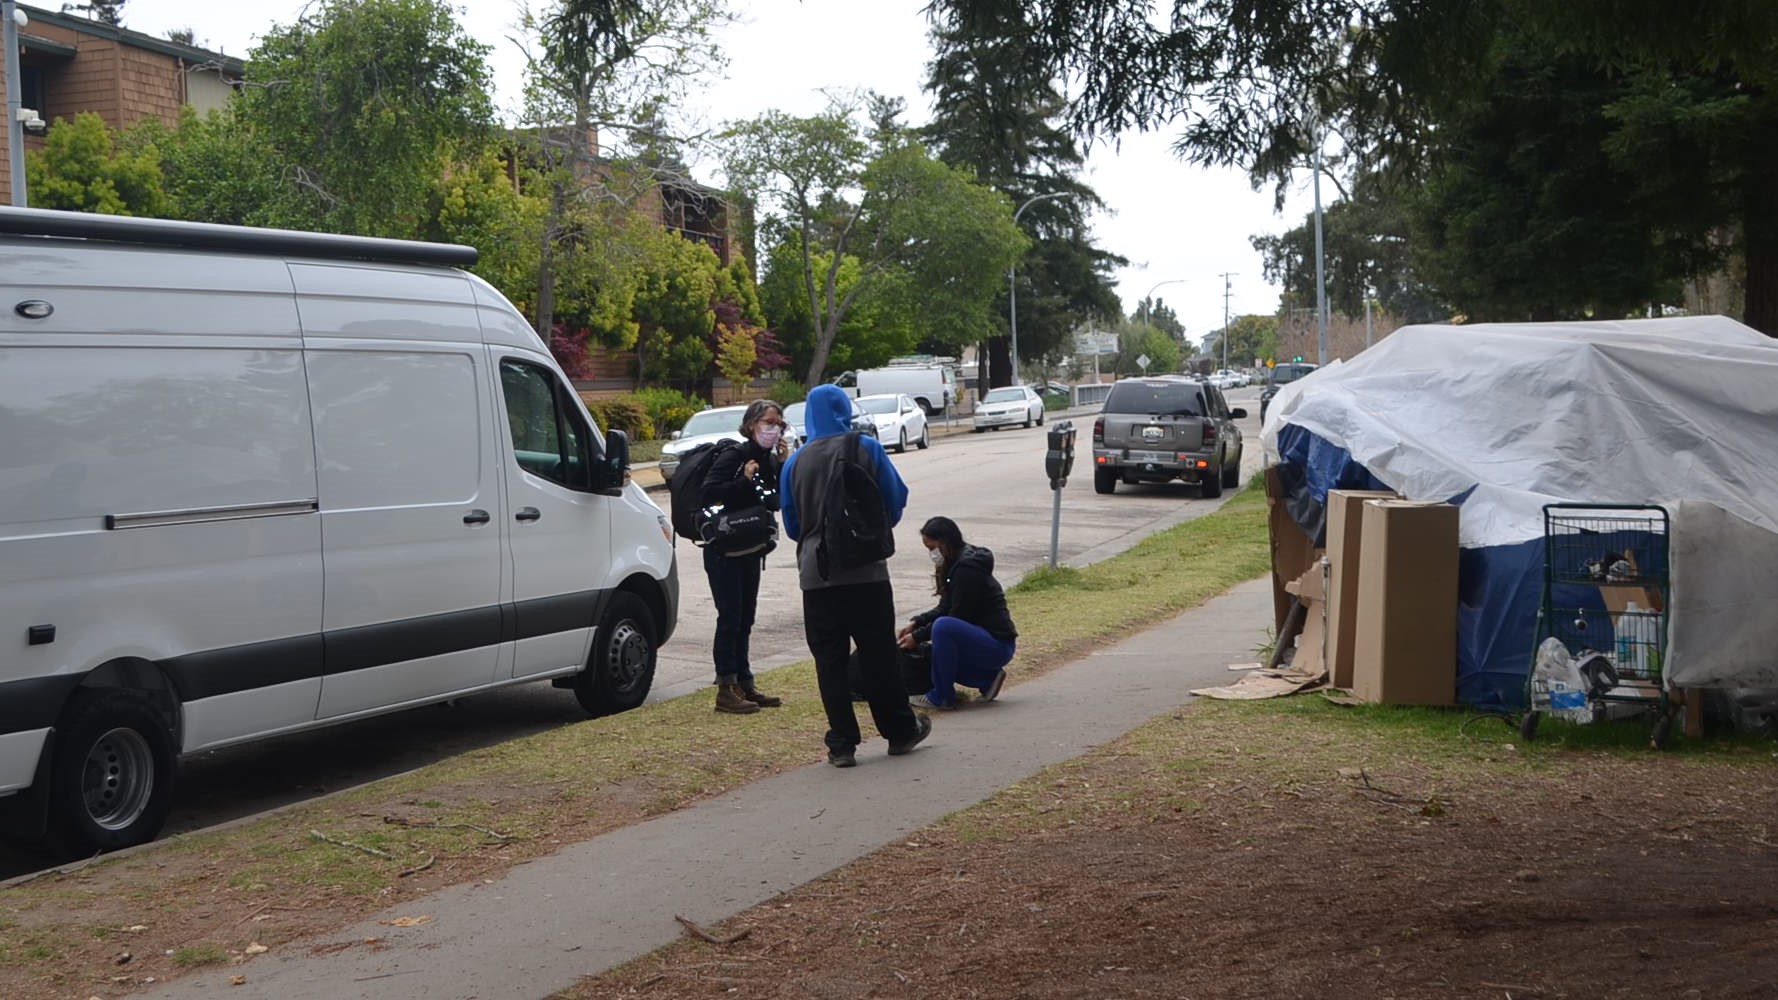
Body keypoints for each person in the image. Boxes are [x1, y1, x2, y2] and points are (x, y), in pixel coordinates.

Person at [780, 384, 931, 767]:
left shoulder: (794, 462)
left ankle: (842, 744)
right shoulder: (867, 448)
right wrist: (869, 534)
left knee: (829, 660)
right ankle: (899, 731)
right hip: (867, 573)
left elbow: (793, 525)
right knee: (879, 654)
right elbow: (894, 500)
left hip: (817, 574)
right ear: (844, 409)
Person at [700, 399, 790, 715]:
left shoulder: (767, 459)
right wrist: (743, 481)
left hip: (750, 548)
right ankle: (726, 689)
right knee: (730, 618)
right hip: (723, 549)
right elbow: (709, 492)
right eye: (768, 422)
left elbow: (775, 503)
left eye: (779, 424)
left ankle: (744, 682)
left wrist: (782, 465)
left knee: (746, 617)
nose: (774, 428)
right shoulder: (734, 455)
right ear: (752, 424)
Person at [899, 516, 1017, 710]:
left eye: (932, 548)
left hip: (997, 643)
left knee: (943, 628)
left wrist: (918, 637)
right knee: (934, 652)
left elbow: (956, 617)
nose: (932, 555)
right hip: (982, 640)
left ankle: (941, 696)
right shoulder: (956, 565)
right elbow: (945, 607)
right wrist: (916, 623)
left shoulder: (967, 569)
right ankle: (988, 679)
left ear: (944, 541)